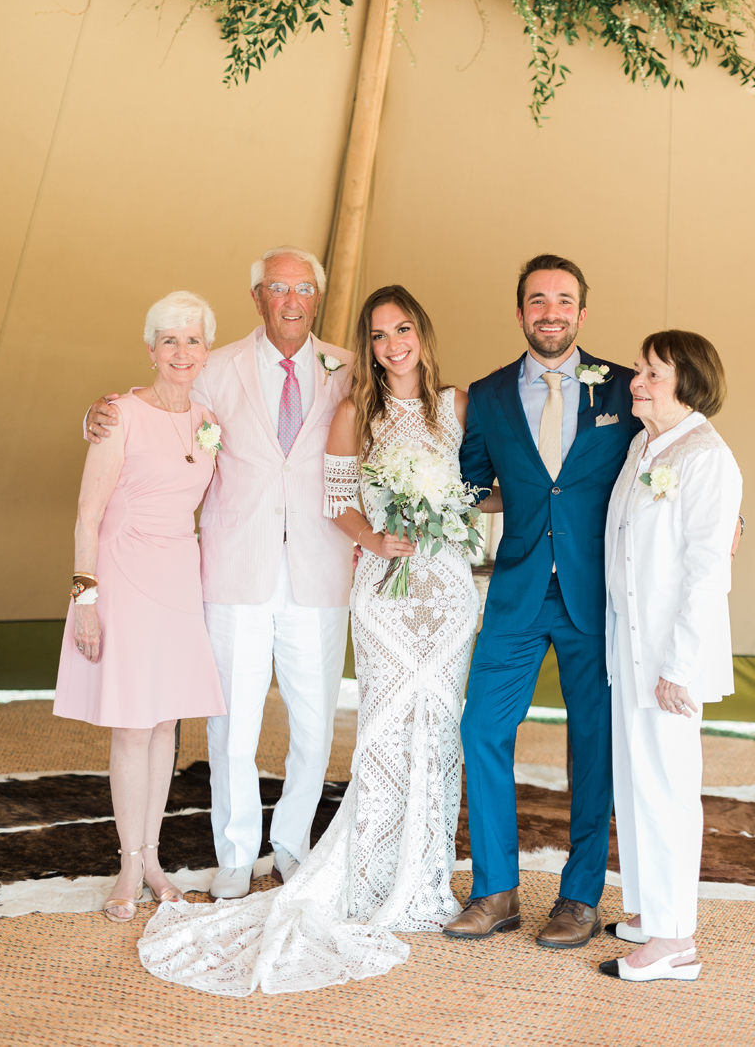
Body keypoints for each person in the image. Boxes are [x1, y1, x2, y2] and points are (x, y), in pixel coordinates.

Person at [137, 285, 501, 995]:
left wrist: (457, 508)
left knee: (438, 727)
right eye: (379, 335)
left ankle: (424, 871)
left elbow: (489, 480)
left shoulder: (457, 405)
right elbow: (338, 497)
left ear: (422, 333)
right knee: (381, 728)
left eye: (402, 330)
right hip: (380, 588)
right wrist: (378, 538)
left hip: (446, 590)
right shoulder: (354, 407)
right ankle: (360, 869)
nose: (392, 345)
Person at [85, 247, 354, 899]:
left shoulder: (348, 367)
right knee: (231, 726)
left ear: (317, 299)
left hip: (320, 569)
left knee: (314, 725)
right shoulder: (216, 364)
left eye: (303, 288)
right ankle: (234, 853)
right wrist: (95, 419)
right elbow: (159, 411)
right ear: (257, 297)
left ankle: (292, 846)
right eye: (277, 287)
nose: (291, 300)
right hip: (233, 570)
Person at [445, 254, 642, 947]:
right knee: (480, 729)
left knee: (593, 744)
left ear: (582, 312)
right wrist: (413, 501)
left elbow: (671, 458)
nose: (550, 312)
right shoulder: (489, 394)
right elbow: (471, 486)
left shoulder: (626, 387)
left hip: (598, 593)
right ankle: (495, 890)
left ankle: (579, 897)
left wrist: (728, 515)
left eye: (563, 300)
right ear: (520, 311)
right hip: (519, 588)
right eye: (537, 300)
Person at [54, 291, 227, 921]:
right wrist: (86, 599)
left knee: (163, 726)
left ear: (207, 350)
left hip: (179, 582)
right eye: (169, 340)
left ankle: (154, 861)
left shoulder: (209, 420)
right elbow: (87, 514)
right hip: (123, 577)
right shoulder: (119, 415)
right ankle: (128, 866)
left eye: (193, 340)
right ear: (151, 349)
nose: (182, 352)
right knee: (131, 726)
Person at [598, 330, 742, 983]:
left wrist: (678, 667)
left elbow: (708, 573)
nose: (637, 381)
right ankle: (650, 911)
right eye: (639, 369)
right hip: (630, 646)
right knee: (637, 785)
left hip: (669, 656)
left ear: (689, 382)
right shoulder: (642, 446)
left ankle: (676, 939)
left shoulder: (708, 458)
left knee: (669, 790)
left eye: (653, 372)